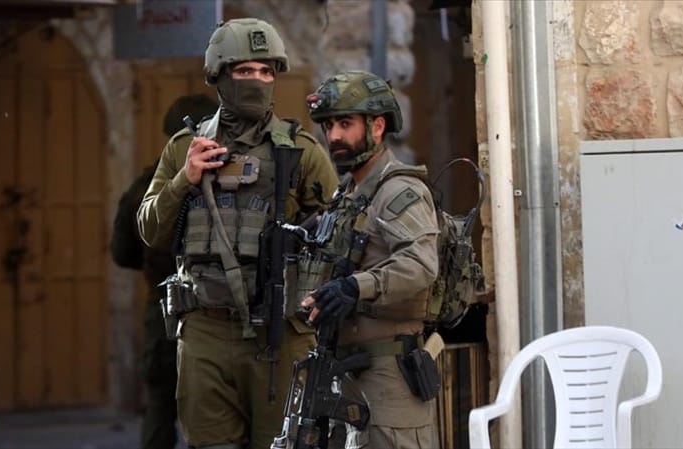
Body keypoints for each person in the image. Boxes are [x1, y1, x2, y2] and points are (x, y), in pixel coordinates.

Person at [136, 17, 339, 449]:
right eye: (245, 70)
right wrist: (185, 179)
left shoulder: (300, 151)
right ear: (219, 75)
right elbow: (150, 229)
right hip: (206, 330)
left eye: (266, 71)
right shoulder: (184, 148)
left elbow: (339, 238)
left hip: (279, 333)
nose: (257, 81)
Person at [299, 70, 441, 449]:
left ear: (377, 127)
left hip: (388, 379)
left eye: (345, 124)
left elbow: (421, 263)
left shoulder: (398, 190)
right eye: (329, 126)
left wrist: (355, 287)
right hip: (349, 371)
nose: (333, 136)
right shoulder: (349, 194)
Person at [111, 93, 220, 449]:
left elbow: (122, 253)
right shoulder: (229, 179)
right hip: (214, 313)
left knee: (160, 407)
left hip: (163, 310)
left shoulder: (143, 189)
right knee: (212, 414)